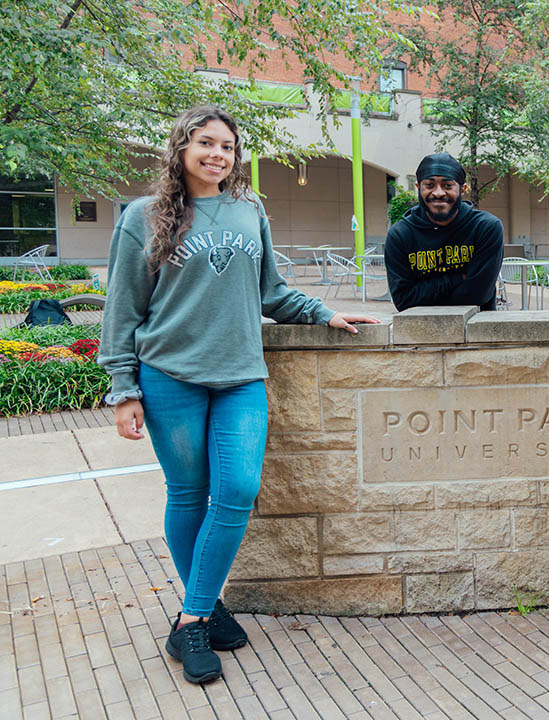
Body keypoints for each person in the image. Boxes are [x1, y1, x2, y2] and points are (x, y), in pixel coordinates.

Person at [99, 106, 378, 685]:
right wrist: (123, 388)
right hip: (169, 375)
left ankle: (190, 619)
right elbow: (122, 308)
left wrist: (323, 312)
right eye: (205, 143)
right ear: (181, 147)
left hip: (240, 375)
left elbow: (271, 291)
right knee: (189, 493)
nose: (217, 155)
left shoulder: (250, 210)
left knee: (239, 488)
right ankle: (205, 612)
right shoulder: (142, 216)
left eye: (227, 147)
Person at [384, 152, 504, 311]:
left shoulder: (485, 228)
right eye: (429, 185)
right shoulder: (400, 235)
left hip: (476, 330)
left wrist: (422, 292)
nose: (438, 193)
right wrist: (459, 278)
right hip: (419, 331)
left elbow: (478, 295)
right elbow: (403, 300)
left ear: (463, 189)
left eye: (447, 185)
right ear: (418, 188)